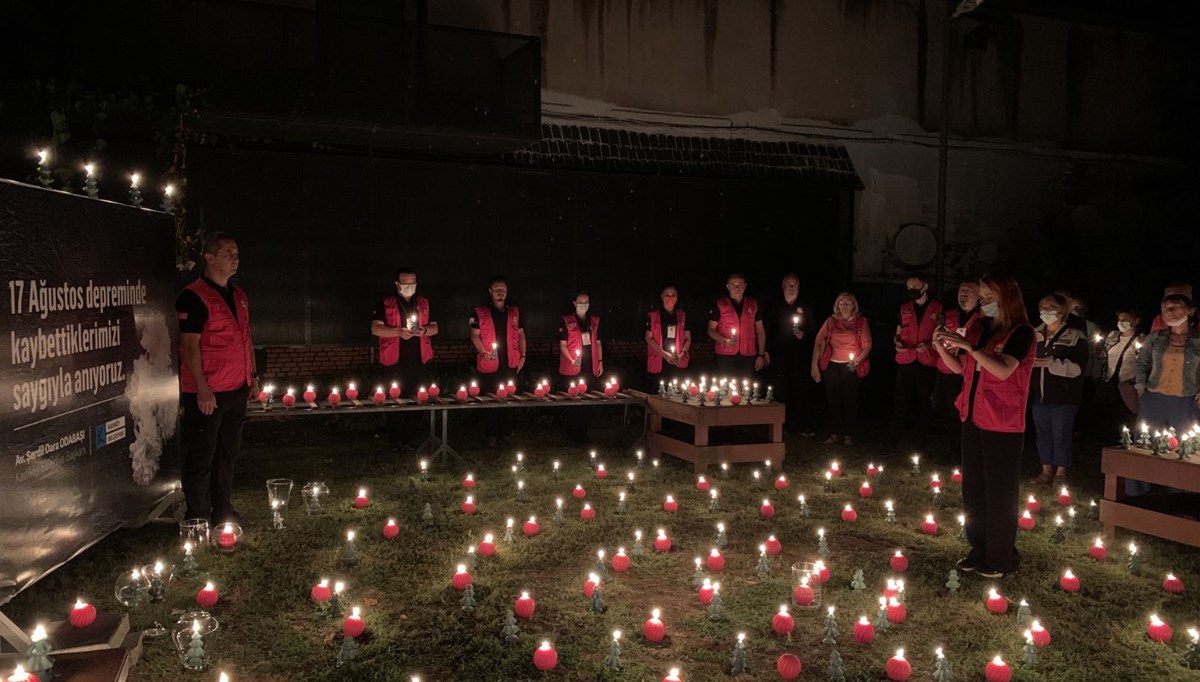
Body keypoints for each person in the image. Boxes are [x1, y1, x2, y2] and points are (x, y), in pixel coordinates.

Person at [933, 273, 1035, 579]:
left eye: (990, 297)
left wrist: (972, 348)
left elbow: (1004, 370)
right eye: (983, 296)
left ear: (1007, 298)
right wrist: (941, 346)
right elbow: (963, 368)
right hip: (972, 416)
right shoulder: (980, 326)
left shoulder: (1023, 333)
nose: (984, 302)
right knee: (973, 489)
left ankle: (1001, 557)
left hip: (1002, 422)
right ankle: (978, 549)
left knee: (999, 492)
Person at [175, 231, 256, 526]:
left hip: (236, 388)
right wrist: (201, 387)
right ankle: (197, 515)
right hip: (208, 392)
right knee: (201, 455)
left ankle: (222, 510)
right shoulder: (193, 297)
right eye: (228, 254)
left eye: (236, 254)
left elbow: (244, 338)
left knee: (227, 454)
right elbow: (189, 346)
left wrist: (252, 376)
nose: (235, 259)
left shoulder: (238, 295)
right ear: (209, 258)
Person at [1131, 294, 1200, 495]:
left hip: (1184, 401)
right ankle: (1139, 492)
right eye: (1166, 308)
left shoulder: (1198, 340)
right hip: (1154, 398)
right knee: (1145, 443)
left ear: (1189, 311)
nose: (1170, 312)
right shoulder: (1156, 338)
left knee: (1184, 447)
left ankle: (1180, 493)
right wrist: (1141, 386)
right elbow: (1142, 361)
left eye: (1176, 307)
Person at [371, 266, 438, 450]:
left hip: (418, 360)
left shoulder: (423, 302)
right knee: (394, 400)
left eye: (412, 283)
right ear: (397, 284)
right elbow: (376, 328)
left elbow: (435, 328)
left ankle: (410, 438)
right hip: (394, 361)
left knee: (416, 398)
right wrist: (398, 332)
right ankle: (396, 439)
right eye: (405, 283)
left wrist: (423, 331)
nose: (409, 286)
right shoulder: (386, 303)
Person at [1029, 294, 1088, 486]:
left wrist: (1050, 363)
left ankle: (1061, 473)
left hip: (1064, 397)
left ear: (1062, 312)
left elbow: (1078, 368)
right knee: (1043, 434)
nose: (1046, 311)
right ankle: (1045, 471)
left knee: (1061, 435)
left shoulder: (1074, 336)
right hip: (1039, 396)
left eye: (1051, 307)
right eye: (1043, 307)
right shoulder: (1034, 334)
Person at [470, 276, 526, 447]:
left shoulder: (514, 311)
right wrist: (483, 351)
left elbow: (521, 335)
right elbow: (474, 335)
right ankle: (491, 435)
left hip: (510, 362)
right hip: (489, 363)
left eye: (503, 290)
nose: (500, 293)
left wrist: (523, 356)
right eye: (497, 290)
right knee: (490, 399)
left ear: (507, 292)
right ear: (490, 292)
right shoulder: (480, 312)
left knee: (509, 398)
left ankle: (506, 433)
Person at [811, 292, 872, 446]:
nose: (844, 305)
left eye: (848, 302)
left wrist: (856, 362)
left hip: (851, 366)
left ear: (854, 305)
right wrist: (814, 364)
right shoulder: (831, 321)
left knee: (850, 400)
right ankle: (833, 434)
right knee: (833, 400)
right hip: (831, 365)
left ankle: (848, 435)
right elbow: (819, 340)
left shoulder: (861, 323)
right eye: (841, 302)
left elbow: (867, 346)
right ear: (837, 305)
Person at [891, 274, 942, 445]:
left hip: (927, 361)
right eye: (909, 287)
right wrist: (897, 343)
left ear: (925, 286)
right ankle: (896, 437)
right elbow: (898, 333)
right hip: (906, 359)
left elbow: (943, 334)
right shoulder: (904, 308)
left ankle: (922, 439)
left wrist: (928, 344)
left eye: (915, 286)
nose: (911, 289)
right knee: (901, 399)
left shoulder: (938, 308)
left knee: (924, 400)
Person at [765, 273, 815, 435]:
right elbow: (766, 329)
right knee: (780, 389)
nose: (792, 288)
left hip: (799, 355)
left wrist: (804, 334)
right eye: (789, 284)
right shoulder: (775, 306)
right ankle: (781, 426)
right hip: (779, 354)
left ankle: (804, 425)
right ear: (783, 287)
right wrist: (765, 351)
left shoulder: (805, 306)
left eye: (795, 285)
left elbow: (814, 328)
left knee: (801, 389)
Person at [932, 282, 981, 438]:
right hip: (945, 368)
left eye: (969, 290)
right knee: (943, 407)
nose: (963, 293)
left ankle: (959, 446)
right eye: (961, 290)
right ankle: (946, 445)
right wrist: (939, 345)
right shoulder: (948, 315)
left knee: (963, 409)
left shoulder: (983, 318)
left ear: (979, 295)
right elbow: (935, 342)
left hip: (967, 371)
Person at [559, 290, 604, 442]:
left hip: (588, 367)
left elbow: (598, 343)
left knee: (586, 400)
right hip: (572, 367)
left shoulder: (594, 321)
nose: (583, 305)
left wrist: (600, 362)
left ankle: (583, 433)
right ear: (574, 303)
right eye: (580, 302)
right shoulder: (566, 320)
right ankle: (571, 434)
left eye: (586, 303)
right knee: (572, 401)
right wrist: (571, 359)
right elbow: (562, 344)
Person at [707, 273, 768, 379]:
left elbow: (760, 330)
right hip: (725, 355)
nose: (737, 287)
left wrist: (761, 355)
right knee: (726, 389)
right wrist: (723, 340)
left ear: (745, 286)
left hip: (748, 355)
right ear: (727, 286)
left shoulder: (753, 304)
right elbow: (710, 329)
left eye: (739, 284)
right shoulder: (719, 304)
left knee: (745, 389)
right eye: (733, 284)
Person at [1095, 308, 1144, 421]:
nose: (1122, 322)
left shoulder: (1141, 338)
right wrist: (1100, 352)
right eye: (1120, 319)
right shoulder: (1112, 335)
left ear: (1136, 320)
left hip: (1127, 382)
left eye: (1126, 319)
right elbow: (1106, 354)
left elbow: (1144, 362)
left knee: (1124, 415)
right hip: (1108, 380)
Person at [645, 284, 691, 389]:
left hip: (678, 359)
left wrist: (682, 354)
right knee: (659, 391)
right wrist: (664, 354)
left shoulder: (682, 315)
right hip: (659, 359)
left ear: (677, 297)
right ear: (662, 296)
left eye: (673, 294)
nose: (670, 297)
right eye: (667, 294)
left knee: (678, 391)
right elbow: (648, 338)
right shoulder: (653, 316)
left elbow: (688, 338)